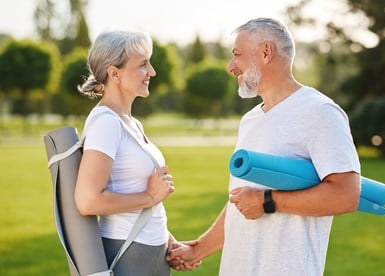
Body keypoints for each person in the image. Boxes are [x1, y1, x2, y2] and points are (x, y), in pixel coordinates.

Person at [166, 17, 361, 275]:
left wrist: (267, 201)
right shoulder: (251, 120)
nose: (230, 66)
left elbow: (346, 195)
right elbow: (242, 201)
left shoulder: (319, 111)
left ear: (266, 52)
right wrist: (197, 249)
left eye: (237, 55)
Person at [75, 30, 184, 276]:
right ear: (114, 73)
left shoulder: (130, 123)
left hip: (152, 250)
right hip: (127, 251)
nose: (152, 72)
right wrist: (149, 196)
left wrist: (168, 239)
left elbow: (131, 188)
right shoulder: (106, 123)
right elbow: (87, 200)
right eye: (143, 64)